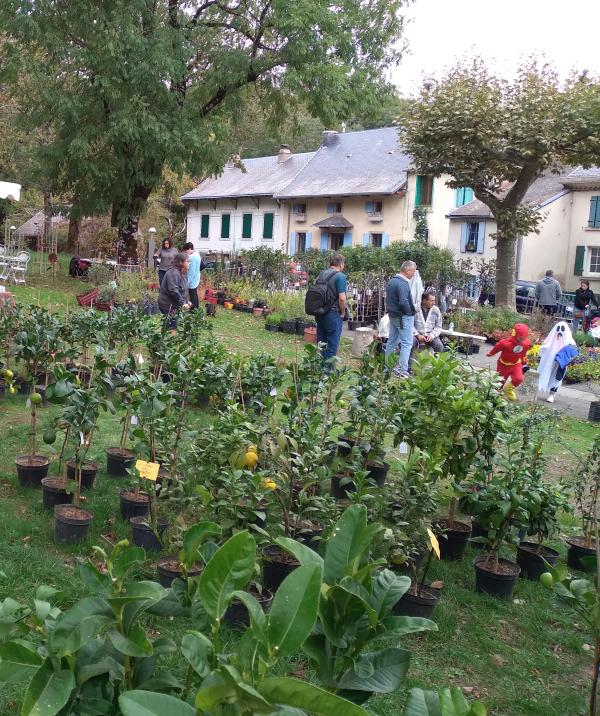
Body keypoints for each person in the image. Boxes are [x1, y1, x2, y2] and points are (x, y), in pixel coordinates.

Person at [385, 260, 417, 378]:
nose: (414, 274)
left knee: (391, 341)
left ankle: (387, 368)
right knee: (407, 343)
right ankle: (402, 371)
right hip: (403, 316)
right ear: (407, 271)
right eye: (413, 271)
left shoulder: (392, 281)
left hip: (393, 315)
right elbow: (404, 302)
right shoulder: (403, 283)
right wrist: (410, 312)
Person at [314, 254, 348, 362]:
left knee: (321, 344)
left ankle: (318, 371)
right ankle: (327, 374)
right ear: (341, 264)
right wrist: (343, 312)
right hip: (333, 314)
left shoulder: (321, 274)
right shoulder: (340, 276)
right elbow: (342, 298)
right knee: (332, 347)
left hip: (320, 312)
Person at [537, 321, 579, 403]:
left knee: (557, 378)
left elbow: (573, 353)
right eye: (558, 329)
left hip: (560, 364)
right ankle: (539, 389)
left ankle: (552, 394)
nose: (560, 331)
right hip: (549, 362)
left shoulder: (570, 342)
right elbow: (544, 347)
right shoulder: (551, 339)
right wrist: (543, 348)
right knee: (545, 374)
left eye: (562, 329)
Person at [486, 323, 531, 389]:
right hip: (503, 365)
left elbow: (523, 353)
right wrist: (491, 353)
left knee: (518, 379)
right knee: (499, 384)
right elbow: (497, 347)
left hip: (516, 364)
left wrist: (524, 362)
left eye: (524, 338)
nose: (522, 340)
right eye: (521, 338)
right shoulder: (505, 343)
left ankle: (508, 390)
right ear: (515, 334)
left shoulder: (526, 343)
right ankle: (496, 395)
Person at [157, 252, 191, 332]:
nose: (189, 263)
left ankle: (161, 340)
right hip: (167, 304)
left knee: (168, 325)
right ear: (181, 262)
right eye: (188, 261)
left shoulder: (183, 272)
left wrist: (187, 301)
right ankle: (167, 341)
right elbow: (173, 290)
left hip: (174, 304)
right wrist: (183, 303)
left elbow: (183, 289)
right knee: (172, 326)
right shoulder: (173, 273)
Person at [184, 242, 201, 310]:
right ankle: (195, 308)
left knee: (192, 294)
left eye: (186, 250)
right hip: (196, 277)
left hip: (193, 279)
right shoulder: (197, 255)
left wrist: (187, 282)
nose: (186, 252)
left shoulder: (193, 257)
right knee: (194, 293)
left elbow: (191, 271)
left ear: (190, 249)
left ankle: (193, 309)